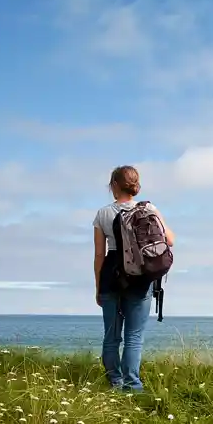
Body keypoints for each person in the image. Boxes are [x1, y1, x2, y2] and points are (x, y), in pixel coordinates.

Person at [92, 165, 175, 392]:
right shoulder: (149, 208)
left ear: (114, 185)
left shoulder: (103, 213)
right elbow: (170, 240)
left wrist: (98, 287)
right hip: (140, 275)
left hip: (111, 274)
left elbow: (99, 254)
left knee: (111, 337)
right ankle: (133, 387)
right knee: (134, 336)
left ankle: (114, 384)